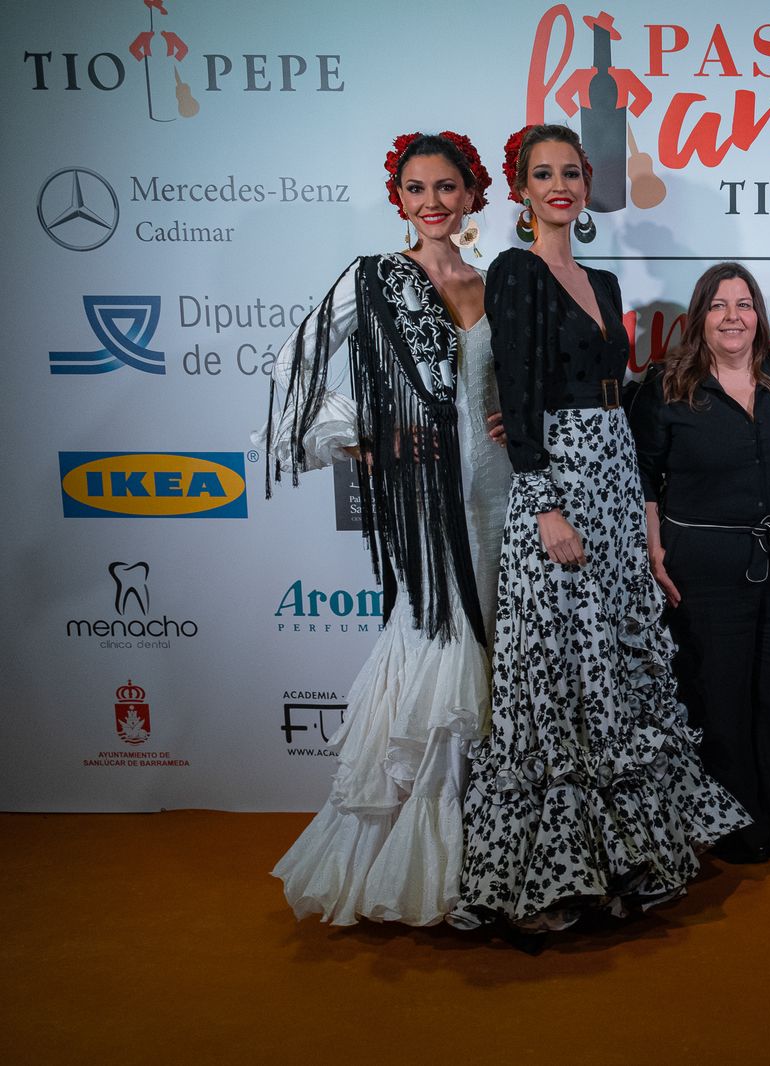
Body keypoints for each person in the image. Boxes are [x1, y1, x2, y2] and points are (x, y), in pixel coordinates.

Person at [456, 126, 747, 931]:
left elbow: (612, 384)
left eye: (572, 173)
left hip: (614, 469)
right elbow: (517, 387)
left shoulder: (605, 283)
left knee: (610, 660)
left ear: (587, 187)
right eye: (543, 174)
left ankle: (621, 860)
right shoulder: (514, 271)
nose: (560, 186)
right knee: (556, 664)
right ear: (520, 191)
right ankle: (547, 876)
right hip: (559, 479)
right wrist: (543, 501)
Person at [261, 131, 510, 926]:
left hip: (503, 494)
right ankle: (414, 863)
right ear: (398, 198)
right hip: (429, 504)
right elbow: (294, 362)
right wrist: (365, 434)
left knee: (503, 655)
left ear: (473, 195)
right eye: (416, 189)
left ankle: (499, 857)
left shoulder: (495, 282)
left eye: (447, 187)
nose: (432, 202)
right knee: (439, 649)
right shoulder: (373, 279)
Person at [629, 263, 770, 864]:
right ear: (699, 317)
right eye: (718, 305)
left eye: (743, 304)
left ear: (759, 314)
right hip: (704, 568)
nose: (733, 317)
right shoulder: (665, 385)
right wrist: (654, 544)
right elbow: (640, 475)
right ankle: (738, 830)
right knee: (720, 699)